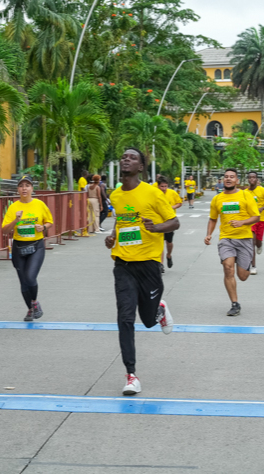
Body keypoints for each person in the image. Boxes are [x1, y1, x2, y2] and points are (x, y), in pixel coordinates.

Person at [105, 149, 178, 396]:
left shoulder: (152, 192)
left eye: (132, 157)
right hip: (123, 264)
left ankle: (158, 309)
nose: (126, 158)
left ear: (141, 168)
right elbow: (121, 219)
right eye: (123, 155)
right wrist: (113, 235)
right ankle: (131, 375)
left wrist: (157, 227)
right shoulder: (115, 195)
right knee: (125, 318)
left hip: (148, 264)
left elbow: (174, 221)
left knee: (147, 321)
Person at [205, 168, 260, 316]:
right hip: (226, 239)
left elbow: (256, 217)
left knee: (242, 276)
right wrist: (208, 234)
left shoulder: (245, 195)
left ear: (237, 180)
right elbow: (213, 219)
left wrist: (242, 223)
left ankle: (246, 264)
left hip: (244, 239)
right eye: (226, 177)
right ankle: (235, 304)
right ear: (223, 180)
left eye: (232, 177)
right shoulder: (217, 199)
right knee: (228, 268)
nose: (228, 179)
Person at [1, 176, 53, 321]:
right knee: (23, 281)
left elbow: (49, 222)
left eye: (27, 185)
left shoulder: (39, 204)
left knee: (30, 277)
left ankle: (34, 302)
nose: (24, 188)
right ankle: (30, 309)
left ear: (32, 189)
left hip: (36, 246)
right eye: (21, 186)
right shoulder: (13, 207)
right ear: (18, 189)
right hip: (19, 247)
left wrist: (43, 227)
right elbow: (4, 230)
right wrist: (16, 221)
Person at [246, 171, 264, 275]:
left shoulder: (263, 191)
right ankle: (253, 266)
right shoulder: (245, 192)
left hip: (261, 220)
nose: (252, 179)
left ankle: (260, 245)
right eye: (250, 177)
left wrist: (262, 208)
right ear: (248, 179)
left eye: (254, 177)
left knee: (257, 242)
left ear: (257, 179)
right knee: (251, 243)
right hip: (250, 220)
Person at [155, 175, 183, 272]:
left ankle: (169, 255)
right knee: (160, 243)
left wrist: (172, 208)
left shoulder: (172, 193)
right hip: (158, 222)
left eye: (165, 186)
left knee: (169, 242)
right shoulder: (155, 193)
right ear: (158, 186)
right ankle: (161, 264)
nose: (164, 188)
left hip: (170, 222)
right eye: (162, 186)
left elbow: (179, 203)